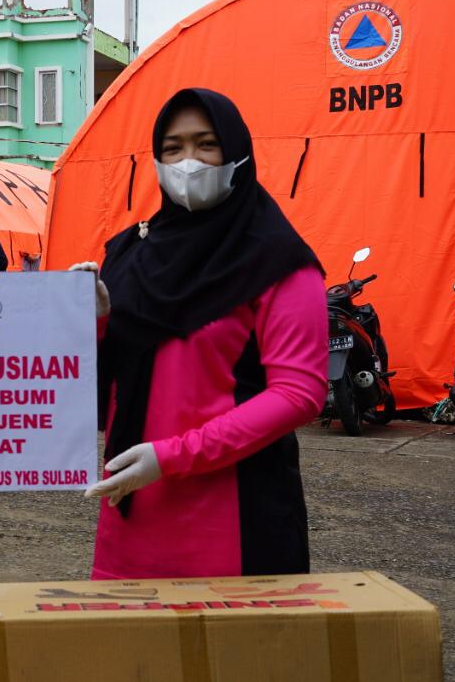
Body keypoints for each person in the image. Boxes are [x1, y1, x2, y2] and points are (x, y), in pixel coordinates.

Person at [77, 88, 325, 580]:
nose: (188, 162)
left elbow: (299, 394)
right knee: (128, 649)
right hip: (133, 506)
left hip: (233, 516)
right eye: (173, 148)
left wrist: (172, 456)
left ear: (237, 152)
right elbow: (105, 392)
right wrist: (96, 324)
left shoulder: (279, 261)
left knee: (230, 654)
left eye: (205, 144)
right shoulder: (130, 254)